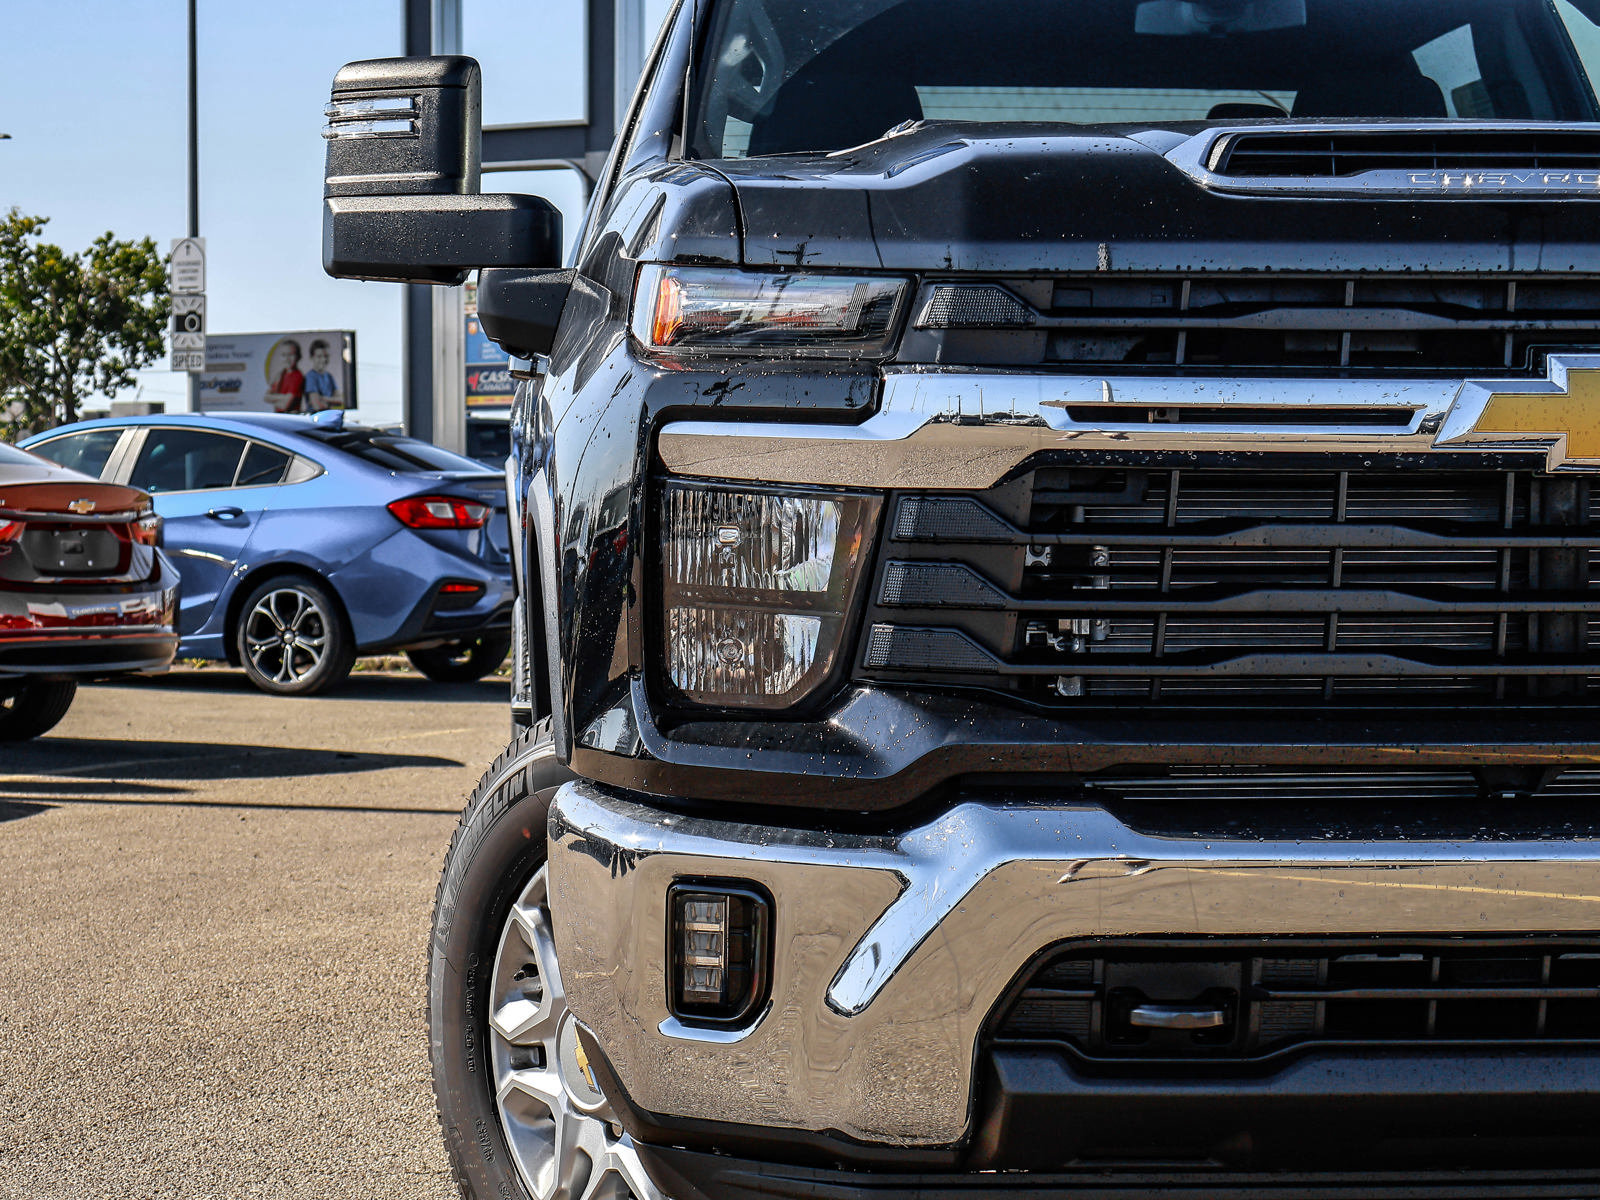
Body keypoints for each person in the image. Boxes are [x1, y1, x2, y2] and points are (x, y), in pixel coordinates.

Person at [302, 340, 343, 411]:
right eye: (319, 356)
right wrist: (332, 401)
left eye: (326, 356)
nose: (323, 359)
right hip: (314, 418)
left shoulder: (329, 376)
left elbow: (341, 400)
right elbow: (317, 406)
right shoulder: (311, 377)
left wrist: (324, 398)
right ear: (312, 358)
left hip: (328, 417)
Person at [267, 339, 305, 413]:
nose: (287, 359)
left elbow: (285, 405)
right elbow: (266, 397)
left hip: (290, 417)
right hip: (279, 416)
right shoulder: (281, 374)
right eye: (284, 355)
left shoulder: (297, 377)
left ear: (298, 356)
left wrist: (274, 399)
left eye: (290, 355)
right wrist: (283, 398)